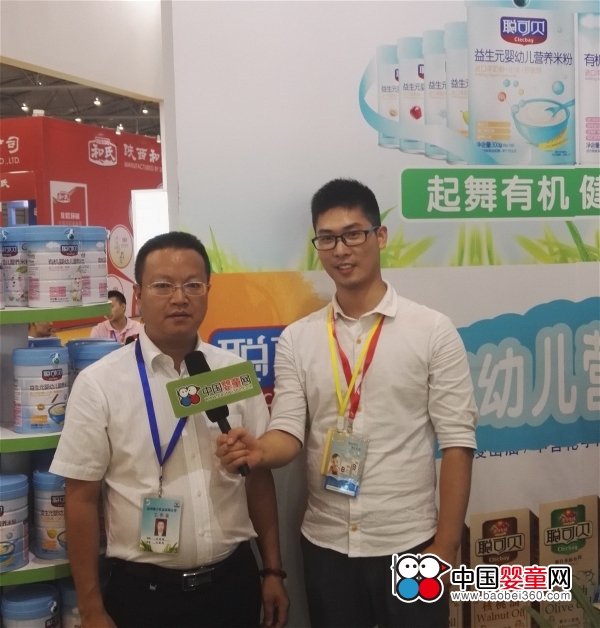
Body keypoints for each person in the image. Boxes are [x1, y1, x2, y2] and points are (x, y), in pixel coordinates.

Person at [217, 179, 478, 628]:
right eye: (327, 238)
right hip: (327, 545)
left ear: (380, 236)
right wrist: (259, 451)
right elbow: (288, 430)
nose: (341, 249)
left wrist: (444, 547)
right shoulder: (298, 338)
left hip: (411, 544)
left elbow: (458, 443)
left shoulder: (432, 331)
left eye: (353, 234)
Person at [51, 231, 288, 628]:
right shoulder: (100, 383)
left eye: (193, 285)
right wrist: (91, 608)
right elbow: (80, 499)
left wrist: (273, 570)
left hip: (232, 585)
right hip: (144, 596)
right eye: (163, 286)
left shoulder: (233, 372)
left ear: (208, 290)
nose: (180, 298)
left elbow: (258, 479)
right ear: (138, 295)